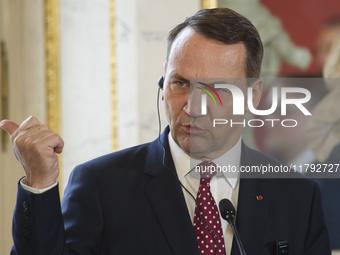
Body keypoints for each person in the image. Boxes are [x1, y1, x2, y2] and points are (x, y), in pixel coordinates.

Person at [0, 8, 330, 255]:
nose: (192, 106)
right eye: (180, 83)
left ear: (254, 95)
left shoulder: (297, 196)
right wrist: (39, 184)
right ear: (164, 80)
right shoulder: (100, 186)